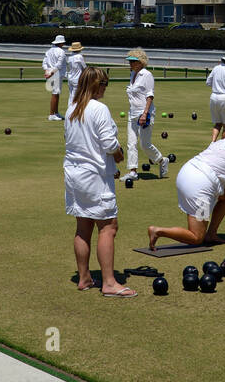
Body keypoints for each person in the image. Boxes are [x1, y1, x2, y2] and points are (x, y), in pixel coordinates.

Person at [64, 67, 133, 297]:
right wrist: (119, 154)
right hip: (94, 176)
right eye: (104, 83)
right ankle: (109, 283)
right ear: (95, 85)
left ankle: (84, 278)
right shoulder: (99, 109)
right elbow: (109, 144)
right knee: (108, 227)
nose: (106, 87)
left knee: (83, 226)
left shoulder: (71, 108)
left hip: (74, 175)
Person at [124, 48, 168, 181]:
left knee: (144, 144)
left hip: (145, 113)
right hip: (132, 112)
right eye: (130, 61)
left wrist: (145, 114)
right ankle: (132, 172)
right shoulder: (133, 74)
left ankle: (161, 160)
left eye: (133, 61)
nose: (130, 64)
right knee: (131, 143)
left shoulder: (147, 75)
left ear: (141, 62)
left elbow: (150, 95)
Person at [43, 34, 68, 121]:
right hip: (56, 74)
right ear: (61, 43)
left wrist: (47, 71)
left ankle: (56, 113)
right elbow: (59, 65)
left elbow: (44, 63)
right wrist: (51, 73)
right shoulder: (61, 52)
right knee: (55, 93)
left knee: (56, 93)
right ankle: (51, 115)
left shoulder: (48, 51)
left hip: (51, 73)